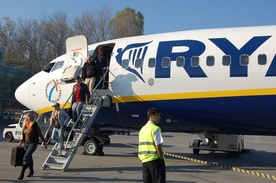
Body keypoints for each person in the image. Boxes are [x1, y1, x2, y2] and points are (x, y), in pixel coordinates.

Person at [138, 108, 166, 183]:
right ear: (151, 116)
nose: (159, 117)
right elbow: (158, 146)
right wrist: (161, 159)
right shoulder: (155, 129)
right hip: (155, 161)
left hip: (145, 161)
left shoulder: (142, 129)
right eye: (157, 115)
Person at [18, 113, 47, 180]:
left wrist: (44, 142)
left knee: (26, 157)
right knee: (29, 158)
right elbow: (24, 134)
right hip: (26, 143)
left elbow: (40, 134)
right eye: (29, 117)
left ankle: (22, 174)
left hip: (33, 143)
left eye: (31, 117)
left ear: (33, 118)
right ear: (27, 118)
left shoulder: (35, 125)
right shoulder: (25, 124)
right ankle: (31, 171)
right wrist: (21, 141)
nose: (30, 118)